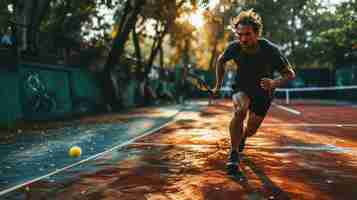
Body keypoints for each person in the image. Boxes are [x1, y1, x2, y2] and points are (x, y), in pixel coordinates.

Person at [212, 9, 296, 176]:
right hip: (241, 87)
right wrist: (218, 85)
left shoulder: (270, 50)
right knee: (240, 110)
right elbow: (220, 61)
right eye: (240, 34)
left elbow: (290, 74)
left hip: (264, 93)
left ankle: (242, 138)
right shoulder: (234, 48)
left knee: (251, 129)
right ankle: (234, 153)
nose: (243, 38)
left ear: (257, 33)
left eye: (248, 34)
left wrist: (274, 82)